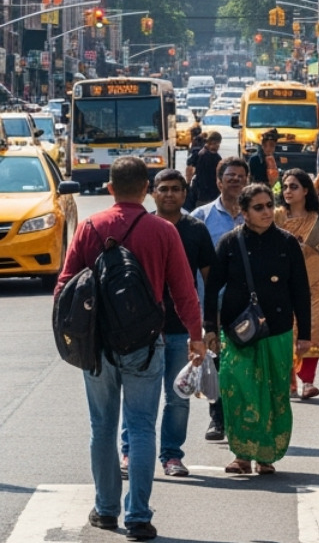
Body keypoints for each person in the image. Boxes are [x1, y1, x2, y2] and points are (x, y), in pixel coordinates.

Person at [56, 157, 206, 542]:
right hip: (146, 344)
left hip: (98, 346)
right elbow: (184, 291)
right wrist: (195, 335)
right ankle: (138, 515)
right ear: (147, 189)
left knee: (102, 428)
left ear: (109, 188)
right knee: (141, 427)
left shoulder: (90, 227)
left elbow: (64, 288)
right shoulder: (163, 231)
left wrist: (70, 336)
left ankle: (106, 510)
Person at [202, 182, 311, 475]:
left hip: (277, 330)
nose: (266, 212)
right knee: (239, 390)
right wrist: (210, 328)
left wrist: (306, 336)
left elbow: (301, 290)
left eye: (268, 206)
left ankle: (266, 455)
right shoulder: (229, 242)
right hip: (238, 332)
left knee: (275, 393)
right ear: (244, 212)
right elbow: (212, 288)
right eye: (258, 207)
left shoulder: (288, 243)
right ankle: (241, 455)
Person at [119, 170, 214, 482]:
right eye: (163, 189)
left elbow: (208, 280)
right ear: (151, 192)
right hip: (140, 330)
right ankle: (129, 451)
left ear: (185, 194)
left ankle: (172, 454)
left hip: (180, 330)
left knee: (178, 396)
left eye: (176, 189)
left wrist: (203, 328)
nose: (170, 194)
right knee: (135, 396)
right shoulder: (139, 226)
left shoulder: (196, 230)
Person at [190, 155, 251, 443]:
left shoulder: (259, 214)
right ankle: (218, 418)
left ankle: (244, 419)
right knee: (215, 363)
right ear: (218, 181)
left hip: (248, 307)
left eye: (241, 176)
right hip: (211, 305)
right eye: (230, 176)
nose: (236, 180)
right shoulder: (201, 217)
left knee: (244, 363)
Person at [276, 169, 319, 399]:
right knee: (286, 330)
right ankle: (289, 383)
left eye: (294, 187)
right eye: (285, 187)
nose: (288, 191)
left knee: (312, 329)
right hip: (283, 284)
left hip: (314, 282)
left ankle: (307, 381)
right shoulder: (277, 216)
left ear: (306, 190)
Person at [186, 131, 224, 205]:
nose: (217, 146)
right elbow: (189, 168)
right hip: (203, 193)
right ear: (210, 142)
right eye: (215, 143)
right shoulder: (199, 154)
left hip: (210, 192)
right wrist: (188, 184)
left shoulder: (217, 157)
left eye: (218, 144)